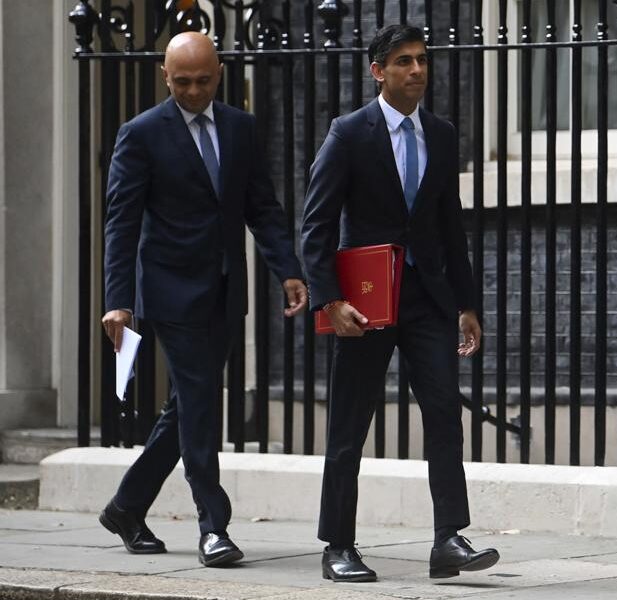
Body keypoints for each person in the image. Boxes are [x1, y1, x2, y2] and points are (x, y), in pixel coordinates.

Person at [100, 32, 307, 568]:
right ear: (165, 77)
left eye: (204, 81)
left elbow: (262, 206)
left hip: (224, 290)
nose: (193, 91)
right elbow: (121, 222)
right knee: (200, 405)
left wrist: (287, 269)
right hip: (170, 292)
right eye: (182, 82)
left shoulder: (241, 127)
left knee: (189, 405)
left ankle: (126, 507)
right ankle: (213, 526)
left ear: (220, 73)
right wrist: (118, 300)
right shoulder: (141, 134)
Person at [300, 24, 499, 583]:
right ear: (378, 72)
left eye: (422, 60)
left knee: (444, 413)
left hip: (427, 300)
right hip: (367, 304)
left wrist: (466, 304)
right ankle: (338, 545)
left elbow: (450, 223)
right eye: (404, 61)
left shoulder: (441, 133)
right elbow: (316, 226)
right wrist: (330, 300)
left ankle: (447, 540)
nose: (417, 70)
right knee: (349, 424)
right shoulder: (348, 134)